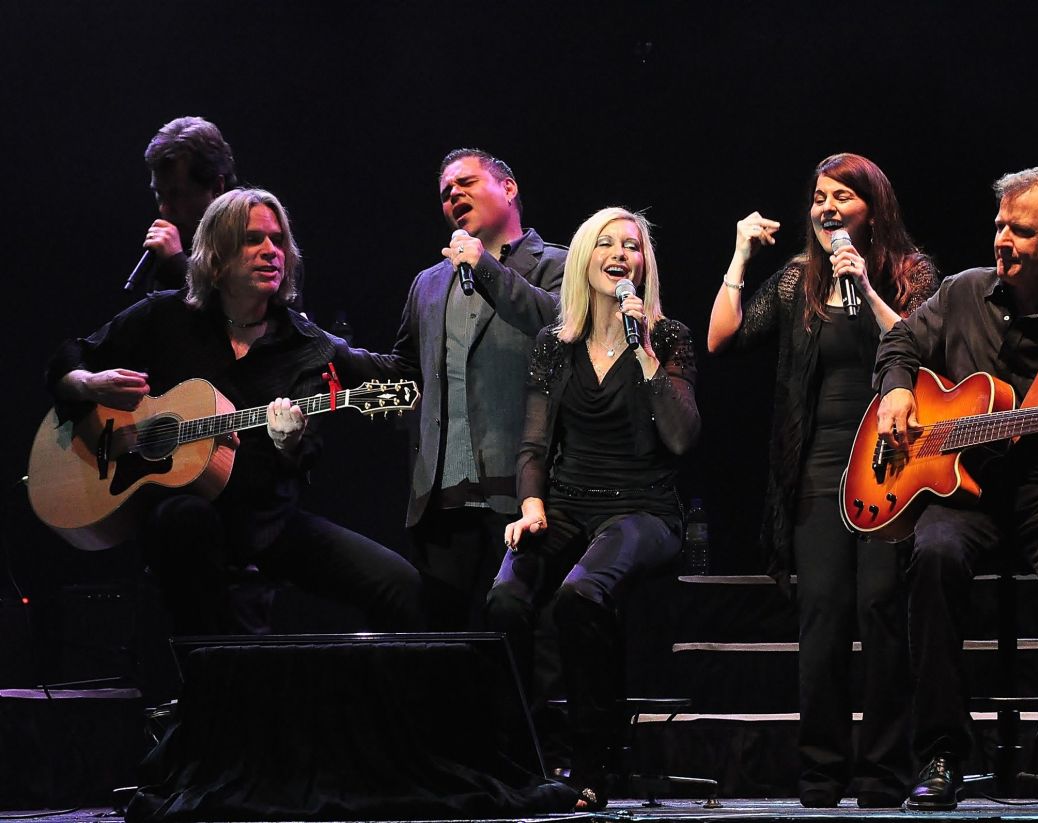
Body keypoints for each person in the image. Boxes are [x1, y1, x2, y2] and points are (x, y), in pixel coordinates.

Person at [873, 166, 1038, 811]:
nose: (1002, 240)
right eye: (999, 226)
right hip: (964, 492)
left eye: (1020, 231)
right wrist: (899, 389)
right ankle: (940, 757)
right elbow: (901, 339)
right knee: (933, 557)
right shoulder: (963, 293)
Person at [47, 188, 423, 636]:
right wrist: (87, 383)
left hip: (266, 523)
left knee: (401, 587)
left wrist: (290, 445)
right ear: (217, 256)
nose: (271, 252)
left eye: (277, 240)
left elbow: (307, 455)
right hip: (178, 520)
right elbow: (68, 357)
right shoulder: (167, 315)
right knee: (186, 519)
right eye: (252, 240)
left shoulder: (303, 345)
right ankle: (210, 674)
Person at [707, 153, 938, 808]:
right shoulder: (796, 281)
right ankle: (822, 770)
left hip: (894, 463)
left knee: (881, 611)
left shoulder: (910, 273)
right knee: (826, 614)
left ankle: (884, 770)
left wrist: (865, 290)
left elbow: (925, 346)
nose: (827, 206)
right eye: (818, 196)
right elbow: (723, 338)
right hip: (817, 467)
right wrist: (739, 255)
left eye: (842, 196)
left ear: (874, 206)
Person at [484, 207, 700, 811]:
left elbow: (682, 438)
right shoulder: (556, 345)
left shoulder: (669, 337)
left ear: (643, 264)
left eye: (631, 246)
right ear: (583, 260)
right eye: (605, 244)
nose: (619, 254)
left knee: (580, 595)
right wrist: (530, 503)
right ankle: (519, 759)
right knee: (504, 599)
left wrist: (648, 351)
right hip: (567, 503)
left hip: (644, 509)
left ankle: (591, 765)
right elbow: (533, 444)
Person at [392, 148, 565, 631]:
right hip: (442, 501)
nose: (452, 195)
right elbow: (403, 368)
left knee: (521, 640)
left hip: (526, 496)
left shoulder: (560, 266)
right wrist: (330, 347)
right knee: (449, 656)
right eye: (446, 192)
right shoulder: (427, 284)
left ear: (509, 189)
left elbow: (559, 325)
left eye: (465, 183)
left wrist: (485, 265)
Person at [139, 116, 238, 292]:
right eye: (159, 195)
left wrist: (177, 265)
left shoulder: (257, 240)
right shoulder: (171, 249)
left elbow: (235, 311)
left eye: (178, 195)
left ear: (216, 188)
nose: (165, 209)